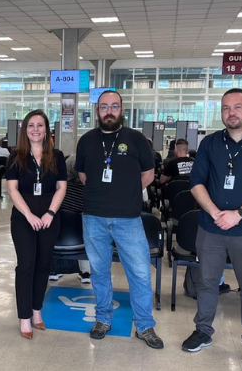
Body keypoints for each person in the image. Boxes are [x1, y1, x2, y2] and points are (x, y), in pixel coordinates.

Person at [184, 88, 242, 366]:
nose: (231, 113)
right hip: (210, 227)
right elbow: (196, 182)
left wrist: (238, 214)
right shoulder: (210, 143)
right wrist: (215, 213)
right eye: (225, 108)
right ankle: (203, 331)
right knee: (207, 282)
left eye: (237, 107)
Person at [74, 91, 164, 348]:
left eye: (114, 106)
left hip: (128, 219)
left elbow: (148, 173)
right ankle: (103, 318)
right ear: (97, 110)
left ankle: (145, 325)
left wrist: (127, 192)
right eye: (104, 107)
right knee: (100, 272)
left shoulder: (135, 139)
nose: (109, 111)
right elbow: (83, 174)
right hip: (93, 218)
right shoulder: (87, 140)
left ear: (122, 109)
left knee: (139, 274)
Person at [6, 109, 66, 340]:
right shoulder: (16, 157)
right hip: (24, 219)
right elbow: (12, 189)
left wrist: (50, 212)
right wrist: (30, 215)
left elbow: (61, 187)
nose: (35, 129)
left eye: (40, 125)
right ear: (25, 130)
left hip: (50, 218)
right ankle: (24, 317)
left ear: (46, 129)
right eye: (31, 125)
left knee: (43, 265)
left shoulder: (57, 156)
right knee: (26, 265)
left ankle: (37, 311)